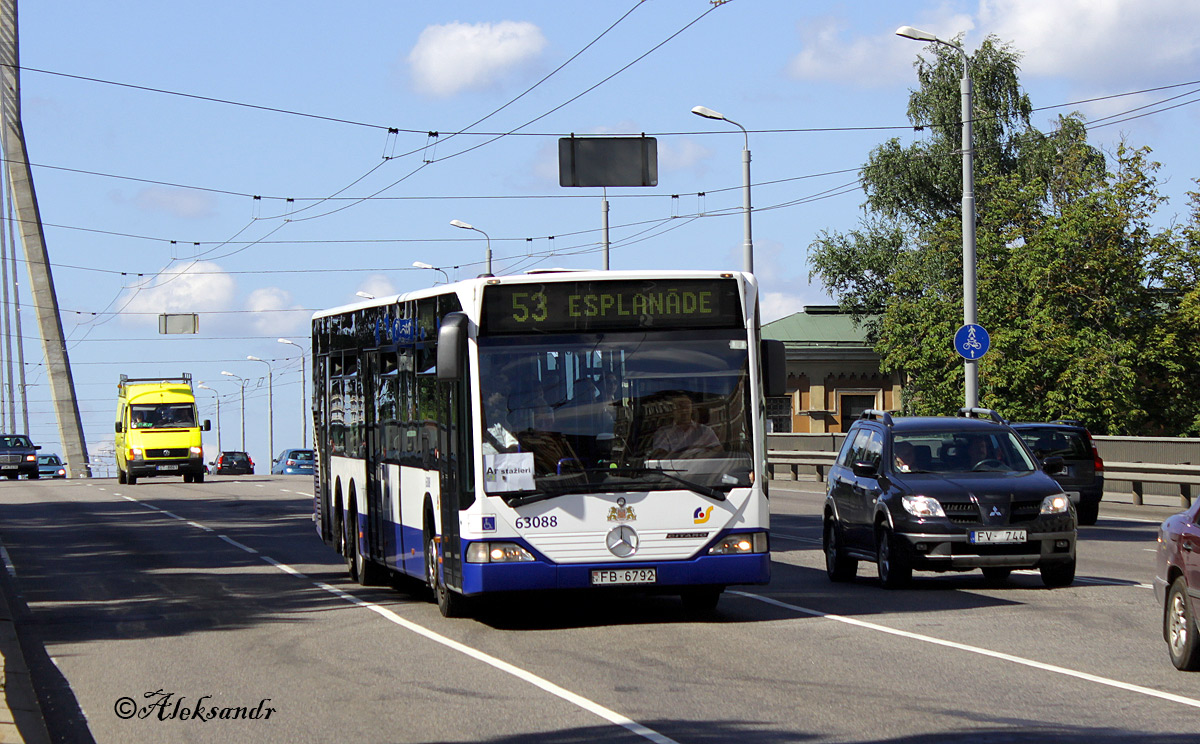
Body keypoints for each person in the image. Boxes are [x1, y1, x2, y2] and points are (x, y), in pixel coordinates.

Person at [648, 395, 722, 460]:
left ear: (691, 410)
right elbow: (660, 456)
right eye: (680, 407)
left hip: (702, 470)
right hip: (673, 472)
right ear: (673, 411)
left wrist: (702, 456)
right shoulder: (663, 433)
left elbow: (718, 450)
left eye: (687, 407)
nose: (684, 411)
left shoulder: (705, 430)